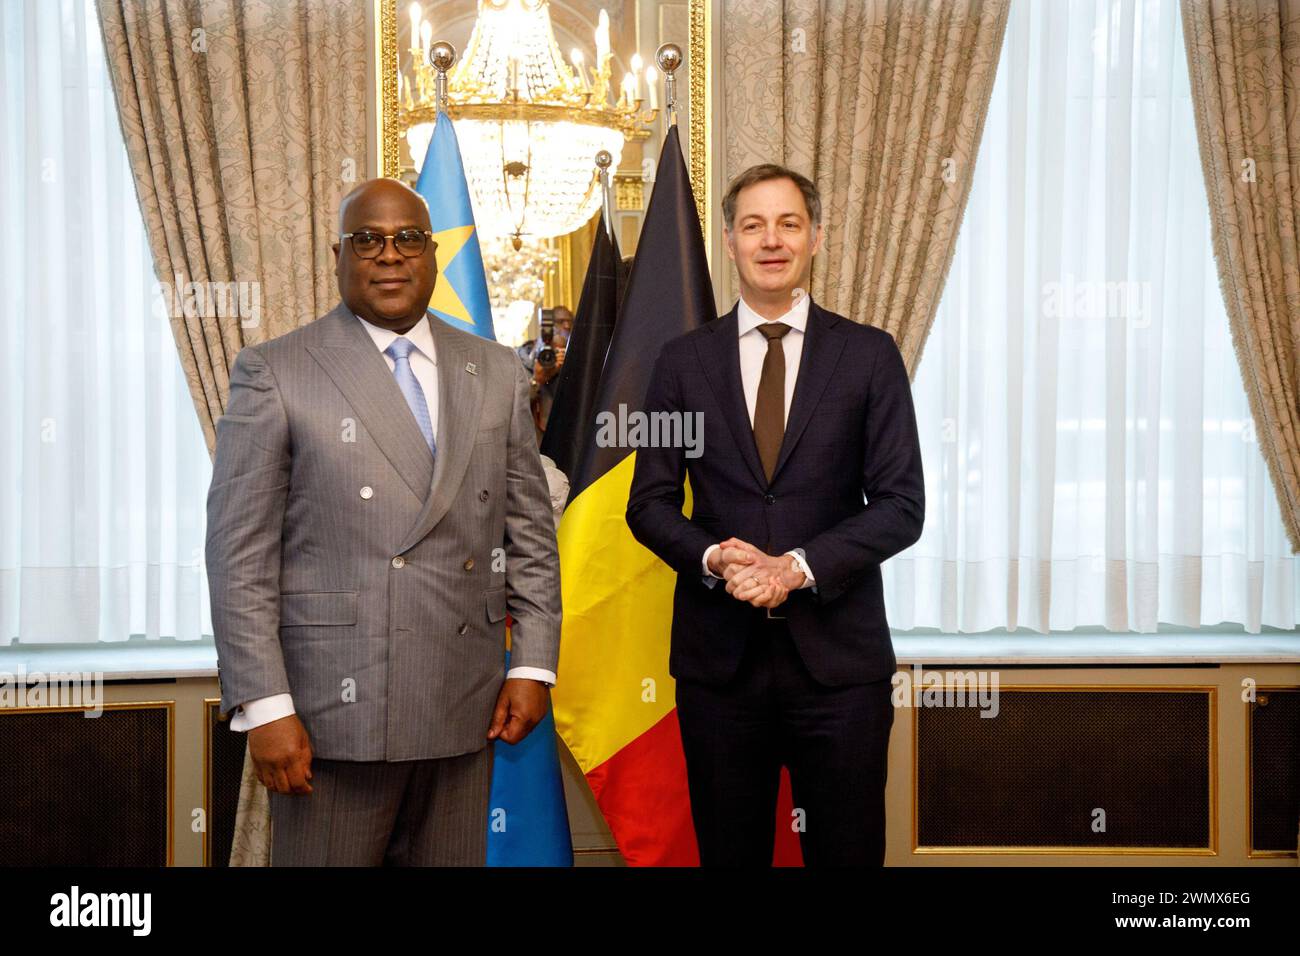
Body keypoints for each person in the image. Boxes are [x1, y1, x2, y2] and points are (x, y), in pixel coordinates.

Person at [206, 178, 561, 866]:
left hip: (467, 703)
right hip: (331, 717)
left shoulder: (493, 371)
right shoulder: (276, 372)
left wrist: (537, 665)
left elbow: (530, 535)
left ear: (432, 255)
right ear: (337, 256)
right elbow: (237, 558)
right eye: (368, 239)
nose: (389, 255)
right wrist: (265, 706)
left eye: (407, 240)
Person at [625, 164, 924, 866]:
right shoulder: (680, 364)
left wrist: (796, 568)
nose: (772, 240)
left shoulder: (869, 356)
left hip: (841, 670)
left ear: (815, 237)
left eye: (788, 223)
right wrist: (714, 558)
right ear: (728, 241)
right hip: (719, 669)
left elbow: (901, 506)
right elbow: (650, 502)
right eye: (753, 225)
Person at [517, 305, 572, 435]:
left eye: (570, 322)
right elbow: (513, 406)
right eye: (560, 322)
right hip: (534, 441)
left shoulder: (578, 360)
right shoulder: (521, 360)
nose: (566, 327)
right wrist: (537, 380)